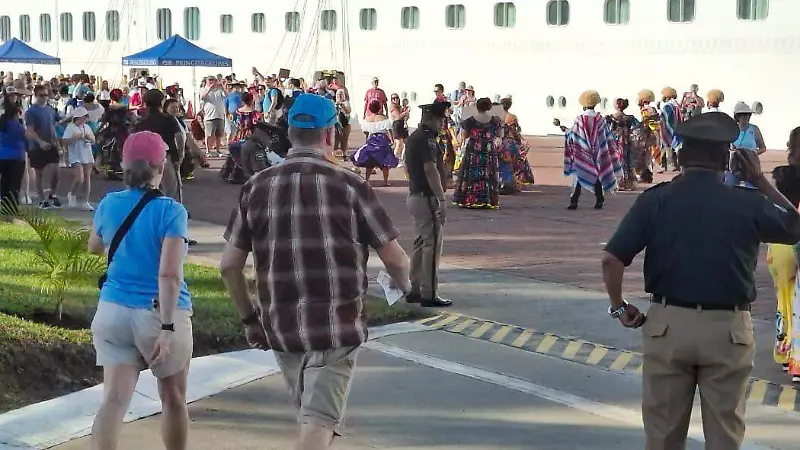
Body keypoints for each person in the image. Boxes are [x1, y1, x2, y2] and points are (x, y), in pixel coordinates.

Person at [220, 93, 411, 450]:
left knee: (309, 414)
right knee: (318, 423)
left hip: (281, 327)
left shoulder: (257, 186)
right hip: (336, 327)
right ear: (328, 135)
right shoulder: (350, 184)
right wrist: (404, 287)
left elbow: (229, 265)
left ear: (290, 133)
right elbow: (396, 258)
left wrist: (250, 320)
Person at [601, 112, 800, 449]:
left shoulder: (656, 200)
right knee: (724, 434)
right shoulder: (748, 203)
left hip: (668, 325)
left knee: (663, 434)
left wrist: (619, 308)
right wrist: (761, 182)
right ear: (727, 158)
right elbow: (795, 225)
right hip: (728, 329)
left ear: (680, 156)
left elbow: (611, 259)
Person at [87, 131, 193, 450]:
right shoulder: (171, 211)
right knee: (173, 398)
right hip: (157, 313)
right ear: (161, 167)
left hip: (112, 312)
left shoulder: (108, 203)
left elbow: (94, 246)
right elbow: (170, 273)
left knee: (114, 400)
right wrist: (169, 326)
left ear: (124, 165)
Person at [403, 101, 453, 308]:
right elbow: (430, 169)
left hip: (415, 194)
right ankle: (429, 292)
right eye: (441, 120)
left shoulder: (415, 137)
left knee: (420, 243)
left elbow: (407, 166)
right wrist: (441, 198)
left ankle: (415, 287)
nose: (442, 124)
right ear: (431, 118)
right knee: (432, 245)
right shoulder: (427, 140)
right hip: (426, 196)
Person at [768, 126, 800, 383]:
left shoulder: (784, 177)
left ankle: (785, 352)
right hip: (796, 241)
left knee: (784, 300)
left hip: (780, 243)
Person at [563, 90, 621, 210]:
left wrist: (566, 131)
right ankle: (599, 200)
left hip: (582, 152)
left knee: (580, 174)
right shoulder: (600, 119)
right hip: (598, 152)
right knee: (598, 175)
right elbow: (606, 137)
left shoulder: (579, 119)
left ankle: (574, 201)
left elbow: (574, 134)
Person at [134, 89, 185, 204]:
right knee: (171, 189)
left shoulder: (141, 122)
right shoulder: (168, 119)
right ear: (162, 102)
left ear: (145, 103)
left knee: (148, 188)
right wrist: (180, 154)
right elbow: (179, 136)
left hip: (146, 158)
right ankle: (170, 212)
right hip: (166, 157)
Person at [452, 97, 502, 208]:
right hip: (489, 149)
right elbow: (499, 136)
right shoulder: (495, 121)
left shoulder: (470, 121)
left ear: (477, 106)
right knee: (488, 174)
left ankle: (470, 198)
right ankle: (488, 199)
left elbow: (463, 137)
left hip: (474, 150)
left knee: (471, 174)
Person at [25, 84, 62, 209]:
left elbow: (54, 126)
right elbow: (30, 130)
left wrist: (58, 144)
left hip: (51, 144)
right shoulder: (31, 111)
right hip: (37, 146)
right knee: (39, 174)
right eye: (41, 95)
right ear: (35, 96)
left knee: (56, 172)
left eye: (46, 95)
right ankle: (42, 199)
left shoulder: (50, 109)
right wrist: (40, 142)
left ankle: (52, 194)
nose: (44, 98)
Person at [351, 101, 397, 186]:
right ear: (379, 108)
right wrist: (392, 140)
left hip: (372, 139)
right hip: (383, 139)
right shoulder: (384, 118)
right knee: (385, 161)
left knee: (370, 161)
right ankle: (385, 181)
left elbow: (365, 131)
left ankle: (367, 180)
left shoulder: (367, 119)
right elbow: (389, 130)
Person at [724, 102, 767, 187]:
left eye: (748, 116)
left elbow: (763, 148)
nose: (746, 119)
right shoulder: (731, 130)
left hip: (751, 166)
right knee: (728, 189)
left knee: (752, 191)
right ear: (737, 117)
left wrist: (752, 153)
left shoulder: (754, 129)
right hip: (734, 166)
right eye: (744, 116)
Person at [498, 96, 534, 193]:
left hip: (498, 143)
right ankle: (515, 182)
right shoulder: (512, 117)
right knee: (518, 161)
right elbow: (514, 132)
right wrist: (521, 140)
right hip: (509, 142)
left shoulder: (497, 116)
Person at [62, 107, 96, 211]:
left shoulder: (87, 127)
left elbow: (94, 140)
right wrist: (75, 137)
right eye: (83, 117)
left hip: (87, 153)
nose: (85, 119)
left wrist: (89, 138)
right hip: (75, 154)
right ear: (78, 117)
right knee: (79, 177)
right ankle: (72, 193)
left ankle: (85, 201)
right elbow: (64, 142)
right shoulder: (70, 127)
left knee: (87, 178)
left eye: (86, 117)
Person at [606, 98, 641, 191]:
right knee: (627, 161)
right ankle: (627, 182)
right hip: (626, 142)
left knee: (614, 160)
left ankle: (615, 181)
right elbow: (638, 127)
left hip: (614, 142)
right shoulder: (630, 118)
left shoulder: (610, 118)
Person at [0, 92, 27, 212]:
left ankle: (4, 203)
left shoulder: (2, 124)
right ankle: (13, 206)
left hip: (3, 155)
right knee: (15, 183)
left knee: (5, 181)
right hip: (16, 157)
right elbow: (25, 136)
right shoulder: (16, 126)